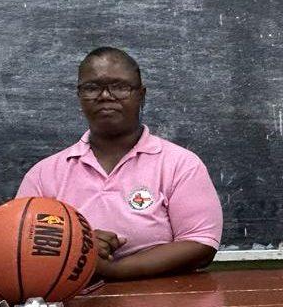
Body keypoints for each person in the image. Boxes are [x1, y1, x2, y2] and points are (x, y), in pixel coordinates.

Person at [17, 47, 223, 280]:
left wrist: (112, 271)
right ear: (79, 96)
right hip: (74, 306)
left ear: (141, 95)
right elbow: (19, 245)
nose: (105, 96)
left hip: (164, 305)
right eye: (92, 88)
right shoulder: (44, 175)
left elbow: (200, 244)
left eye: (119, 86)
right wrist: (78, 246)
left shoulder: (180, 164)